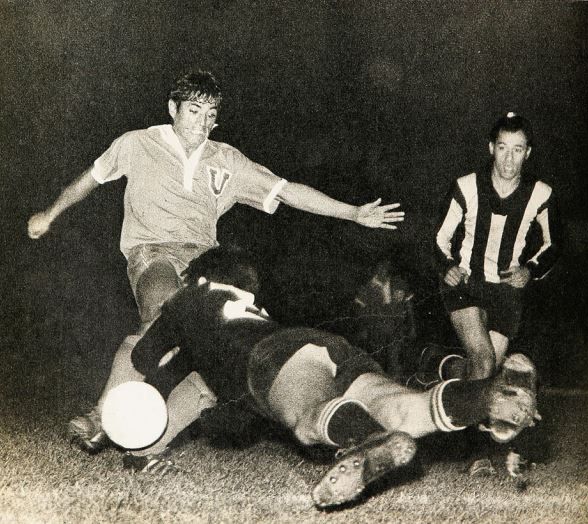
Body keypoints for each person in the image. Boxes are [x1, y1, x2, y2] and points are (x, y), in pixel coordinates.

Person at [26, 70, 405, 451]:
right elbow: (89, 179)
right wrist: (50, 214)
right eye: (194, 111)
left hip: (204, 262)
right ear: (173, 108)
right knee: (161, 313)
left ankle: (148, 448)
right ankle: (101, 417)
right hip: (152, 250)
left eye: (210, 115)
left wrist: (353, 213)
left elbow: (288, 192)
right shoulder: (135, 144)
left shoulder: (227, 159)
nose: (203, 123)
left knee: (218, 354)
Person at [120, 246, 539, 508]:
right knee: (401, 409)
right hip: (322, 344)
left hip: (272, 359)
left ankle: (366, 439)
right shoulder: (251, 311)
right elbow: (198, 380)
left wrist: (120, 420)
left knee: (308, 419)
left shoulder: (189, 299)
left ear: (202, 277)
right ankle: (488, 394)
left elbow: (143, 356)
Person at [428, 113, 560, 383]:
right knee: (484, 362)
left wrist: (530, 271)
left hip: (506, 289)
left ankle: (444, 367)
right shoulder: (465, 187)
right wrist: (448, 266)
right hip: (466, 282)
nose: (509, 159)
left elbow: (554, 244)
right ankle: (460, 423)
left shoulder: (541, 194)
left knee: (484, 374)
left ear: (528, 153)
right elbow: (439, 237)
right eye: (502, 148)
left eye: (517, 149)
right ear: (491, 148)